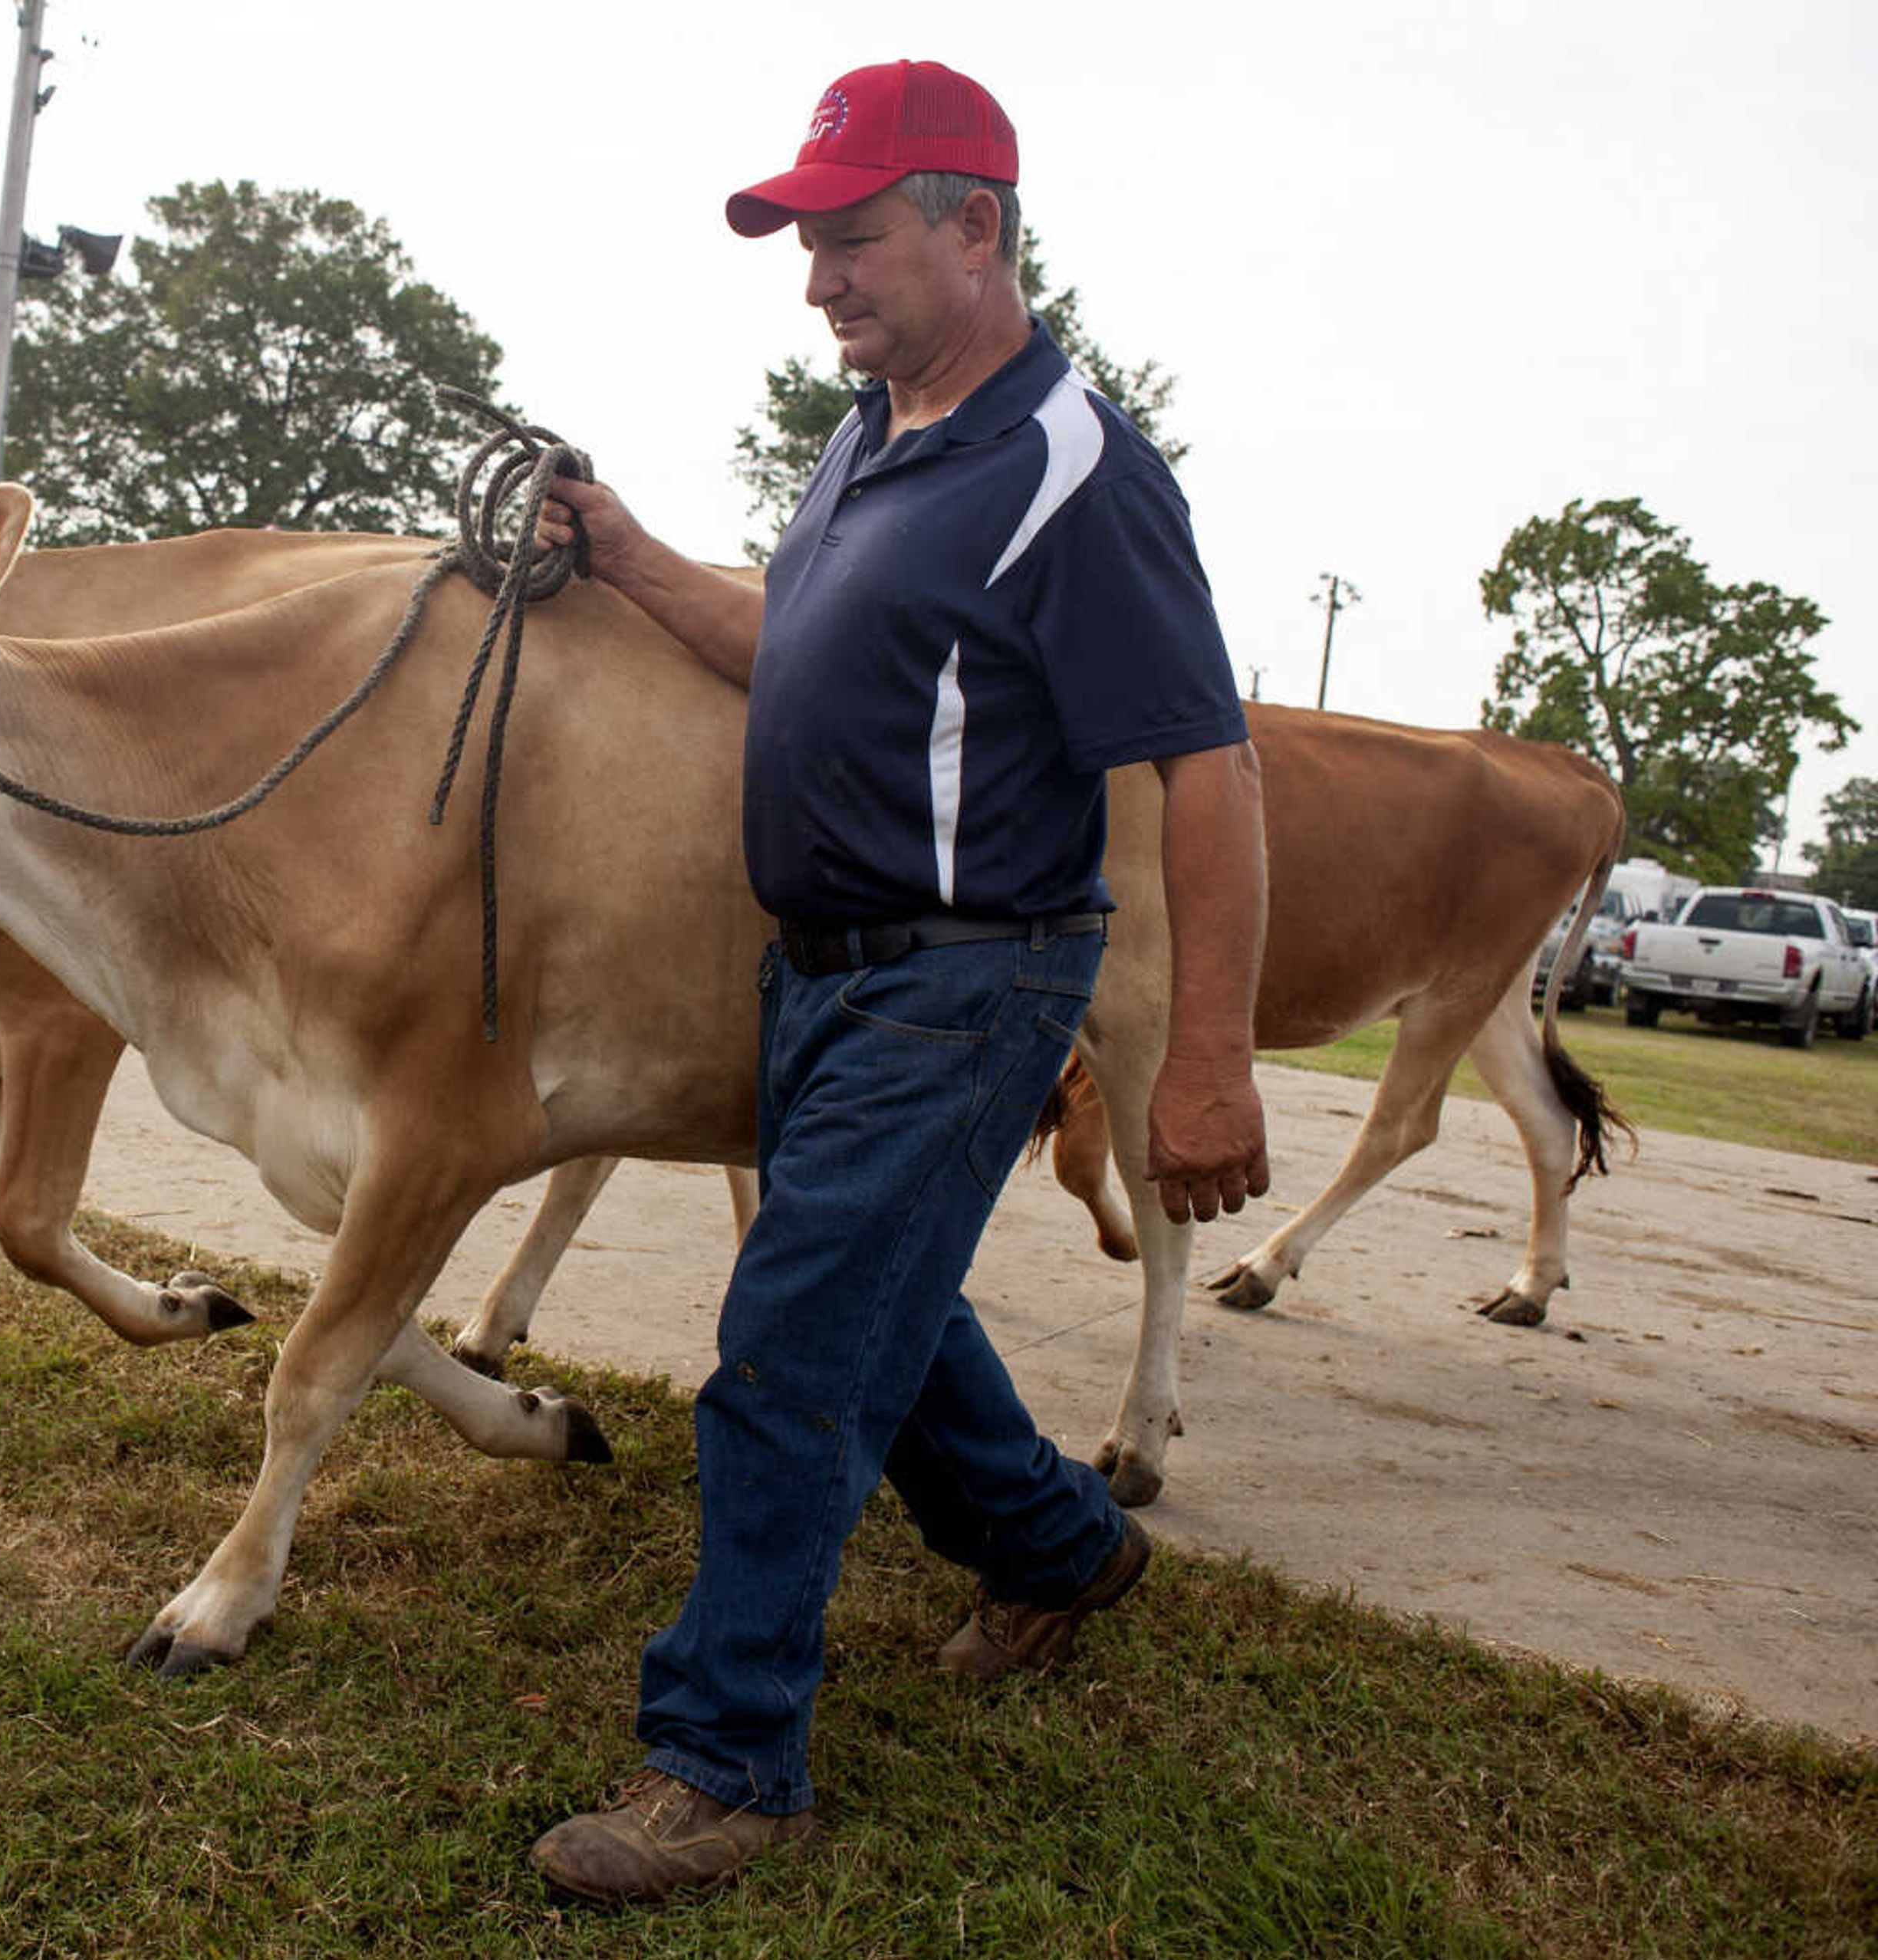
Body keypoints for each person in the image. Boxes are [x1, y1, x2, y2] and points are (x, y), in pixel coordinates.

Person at [526, 58, 1271, 1908]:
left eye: (850, 239)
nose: (818, 281)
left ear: (975, 227)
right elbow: (787, 643)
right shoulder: (872, 432)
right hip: (826, 972)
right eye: (805, 244)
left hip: (971, 977)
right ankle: (1060, 1548)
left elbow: (1209, 763)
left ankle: (727, 1764)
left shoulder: (1079, 471)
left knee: (788, 1353)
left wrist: (1208, 1065)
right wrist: (624, 555)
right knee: (887, 1307)